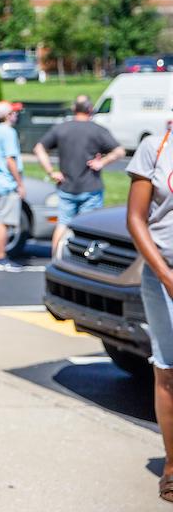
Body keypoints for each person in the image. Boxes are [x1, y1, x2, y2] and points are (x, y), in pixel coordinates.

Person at [126, 121, 173, 502]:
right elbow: (135, 219)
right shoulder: (155, 148)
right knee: (169, 370)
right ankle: (172, 466)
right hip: (164, 280)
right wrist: (166, 277)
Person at [33, 94, 125, 252]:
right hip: (90, 187)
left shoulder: (61, 128)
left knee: (63, 224)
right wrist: (102, 162)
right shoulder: (97, 130)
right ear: (90, 109)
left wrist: (51, 171)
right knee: (87, 227)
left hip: (66, 186)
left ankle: (56, 257)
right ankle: (82, 260)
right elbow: (119, 151)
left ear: (74, 109)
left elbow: (39, 148)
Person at [0, 100, 25, 271]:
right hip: (8, 182)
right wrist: (20, 183)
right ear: (7, 115)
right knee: (5, 222)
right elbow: (10, 159)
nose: (15, 115)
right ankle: (0, 257)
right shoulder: (8, 132)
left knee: (1, 218)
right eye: (13, 112)